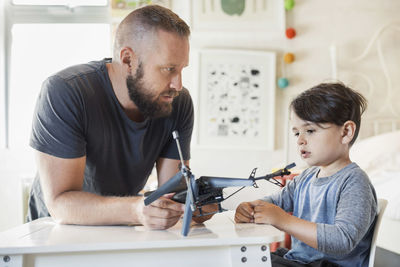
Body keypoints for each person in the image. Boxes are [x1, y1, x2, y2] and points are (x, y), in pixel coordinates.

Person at [27, 5, 212, 229]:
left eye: (182, 69)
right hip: (54, 233)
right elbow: (60, 203)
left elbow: (172, 191)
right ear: (127, 60)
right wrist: (136, 210)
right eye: (168, 69)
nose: (178, 84)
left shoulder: (177, 102)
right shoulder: (65, 92)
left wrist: (195, 204)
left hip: (121, 228)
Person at [235, 83, 377, 267]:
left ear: (346, 132)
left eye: (310, 130)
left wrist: (283, 220)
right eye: (296, 133)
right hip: (300, 261)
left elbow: (343, 240)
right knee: (244, 260)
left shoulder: (354, 182)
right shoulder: (306, 178)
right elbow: (275, 203)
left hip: (329, 265)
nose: (301, 140)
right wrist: (251, 208)